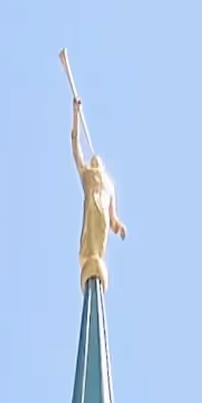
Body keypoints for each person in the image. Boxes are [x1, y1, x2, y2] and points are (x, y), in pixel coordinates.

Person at [71, 96, 127, 288]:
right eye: (93, 159)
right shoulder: (87, 175)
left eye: (98, 160)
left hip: (102, 219)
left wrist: (119, 226)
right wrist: (76, 114)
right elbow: (76, 147)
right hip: (91, 216)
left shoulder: (110, 185)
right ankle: (90, 260)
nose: (95, 160)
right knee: (89, 246)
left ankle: (95, 263)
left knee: (99, 246)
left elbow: (113, 218)